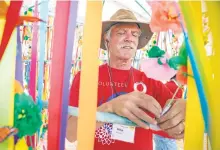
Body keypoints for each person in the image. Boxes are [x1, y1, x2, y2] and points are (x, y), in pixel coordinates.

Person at [66, 9, 186, 150]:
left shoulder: (149, 81)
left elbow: (181, 125)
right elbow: (70, 133)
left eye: (135, 34)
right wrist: (109, 108)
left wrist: (186, 108)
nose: (129, 38)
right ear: (107, 39)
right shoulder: (86, 77)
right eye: (122, 32)